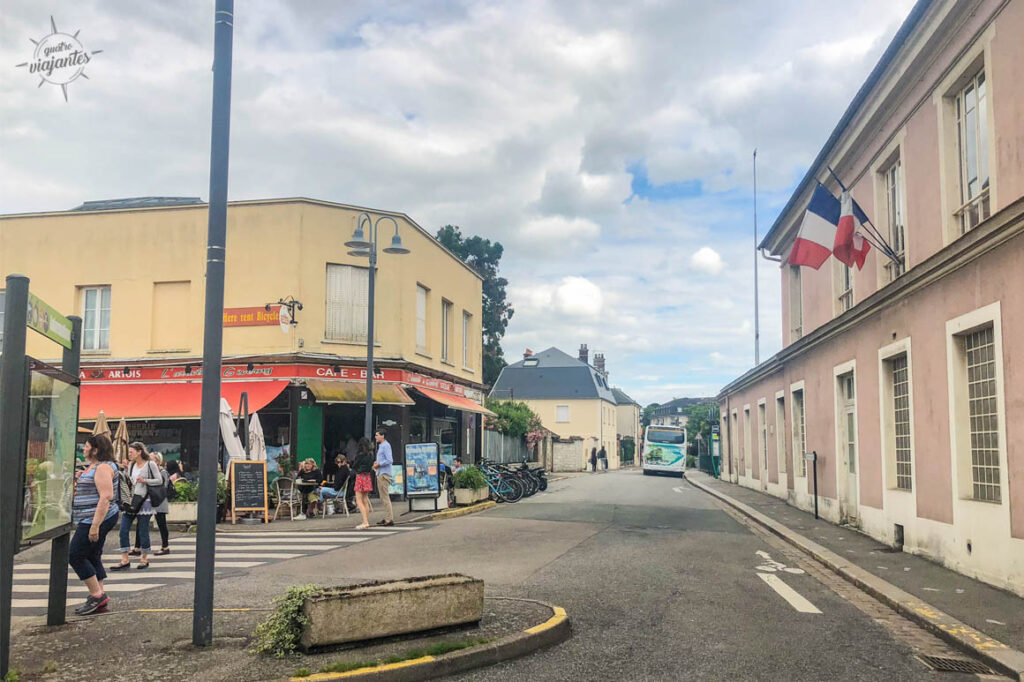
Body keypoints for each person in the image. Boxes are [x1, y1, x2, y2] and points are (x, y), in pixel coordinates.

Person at [69, 434, 120, 615]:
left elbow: (105, 496)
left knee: (75, 555)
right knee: (92, 555)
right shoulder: (96, 467)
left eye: (87, 446)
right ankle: (99, 596)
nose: (84, 449)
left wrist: (95, 525)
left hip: (93, 518)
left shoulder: (103, 467)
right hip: (91, 517)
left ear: (96, 450)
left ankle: (97, 596)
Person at [112, 442, 162, 571]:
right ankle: (124, 559)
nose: (129, 454)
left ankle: (144, 558)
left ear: (139, 452)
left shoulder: (150, 464)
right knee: (123, 530)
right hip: (131, 500)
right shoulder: (131, 465)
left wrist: (145, 481)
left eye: (131, 452)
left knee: (143, 530)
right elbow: (129, 481)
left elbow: (159, 480)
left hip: (145, 500)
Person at [133, 452, 171, 556]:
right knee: (141, 522)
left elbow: (163, 486)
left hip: (159, 500)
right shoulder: (148, 471)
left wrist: (147, 481)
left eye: (151, 459)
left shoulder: (162, 472)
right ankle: (137, 547)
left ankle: (165, 546)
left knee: (161, 523)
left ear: (157, 461)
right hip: (148, 499)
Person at [351, 437, 375, 529]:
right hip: (368, 476)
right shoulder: (371, 454)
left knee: (359, 500)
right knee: (365, 499)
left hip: (360, 476)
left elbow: (355, 466)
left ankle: (365, 521)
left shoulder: (360, 455)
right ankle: (366, 520)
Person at [373, 427, 395, 527]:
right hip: (380, 473)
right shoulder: (382, 446)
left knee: (385, 497)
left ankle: (389, 518)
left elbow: (390, 460)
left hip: (384, 474)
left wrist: (379, 464)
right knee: (383, 497)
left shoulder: (386, 446)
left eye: (377, 435)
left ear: (382, 436)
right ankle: (387, 517)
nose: (375, 437)